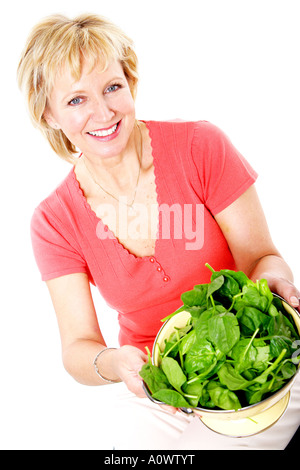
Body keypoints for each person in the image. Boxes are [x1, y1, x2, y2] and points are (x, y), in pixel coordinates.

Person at [18, 13, 300, 449]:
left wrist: (273, 284)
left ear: (130, 82)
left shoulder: (200, 147)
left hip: (255, 354)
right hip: (161, 379)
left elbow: (263, 257)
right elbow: (78, 346)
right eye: (76, 100)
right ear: (49, 115)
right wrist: (115, 364)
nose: (103, 112)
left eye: (112, 87)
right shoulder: (54, 220)